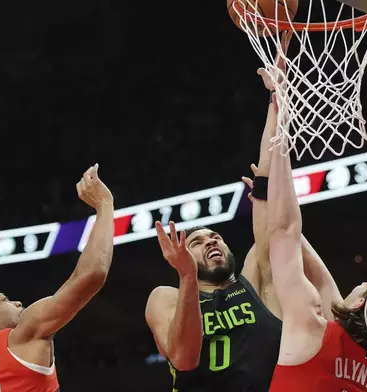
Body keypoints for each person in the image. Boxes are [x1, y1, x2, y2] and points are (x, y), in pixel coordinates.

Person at [144, 63, 340, 391]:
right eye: (197, 241)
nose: (210, 241)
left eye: (215, 237)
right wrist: (188, 275)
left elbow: (267, 184)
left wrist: (278, 99)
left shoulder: (258, 281)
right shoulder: (166, 296)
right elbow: (183, 356)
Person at [265, 130, 367, 391]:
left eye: (364, 283)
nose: (357, 286)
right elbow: (325, 285)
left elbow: (284, 230)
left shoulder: (311, 329)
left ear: (360, 300)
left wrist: (280, 130)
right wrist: (274, 205)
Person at [0, 164, 115, 392]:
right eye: (4, 300)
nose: (17, 303)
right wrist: (105, 205)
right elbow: (92, 274)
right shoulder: (23, 334)